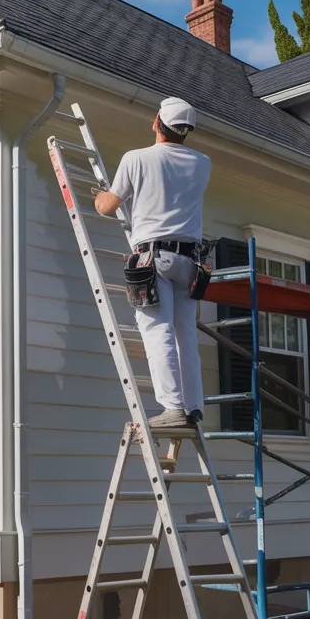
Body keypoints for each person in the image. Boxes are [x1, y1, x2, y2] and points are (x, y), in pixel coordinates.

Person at [94, 97, 212, 430]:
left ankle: (172, 407)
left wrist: (100, 195)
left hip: (153, 257)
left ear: (157, 122)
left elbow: (107, 206)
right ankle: (192, 407)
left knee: (157, 329)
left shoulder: (136, 158)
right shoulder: (203, 163)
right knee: (185, 333)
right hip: (189, 261)